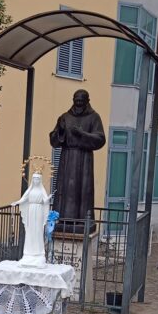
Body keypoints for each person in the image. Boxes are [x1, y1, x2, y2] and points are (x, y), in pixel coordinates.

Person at [49, 89, 106, 229]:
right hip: (67, 159)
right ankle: (63, 219)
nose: (78, 103)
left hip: (83, 158)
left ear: (87, 101)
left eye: (81, 101)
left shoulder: (94, 117)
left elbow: (100, 138)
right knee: (66, 188)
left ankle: (82, 220)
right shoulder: (64, 117)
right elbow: (53, 141)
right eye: (76, 100)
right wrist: (61, 130)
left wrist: (83, 134)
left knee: (83, 189)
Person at [14, 171, 51, 264]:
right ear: (32, 180)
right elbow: (24, 198)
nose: (36, 180)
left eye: (38, 179)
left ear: (40, 180)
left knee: (38, 231)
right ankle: (28, 253)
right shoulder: (29, 190)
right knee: (30, 231)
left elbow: (45, 200)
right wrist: (16, 202)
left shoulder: (42, 190)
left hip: (38, 211)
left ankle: (38, 253)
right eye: (34, 179)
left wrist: (48, 198)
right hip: (31, 211)